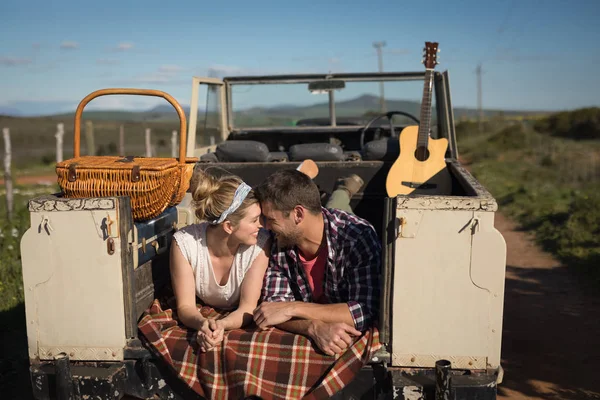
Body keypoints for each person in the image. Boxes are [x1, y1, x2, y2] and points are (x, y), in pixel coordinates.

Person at [252, 169, 381, 357]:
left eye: (270, 219)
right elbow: (273, 310)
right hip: (316, 224)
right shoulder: (279, 240)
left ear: (297, 214)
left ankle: (343, 191)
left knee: (339, 203)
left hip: (336, 226)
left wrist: (292, 308)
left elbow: (362, 312)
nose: (265, 226)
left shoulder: (357, 237)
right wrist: (312, 326)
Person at [170, 168, 270, 353]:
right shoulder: (185, 244)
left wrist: (220, 326)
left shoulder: (259, 245)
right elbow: (185, 306)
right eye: (255, 220)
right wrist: (202, 323)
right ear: (229, 226)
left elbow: (247, 307)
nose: (261, 225)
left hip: (234, 317)